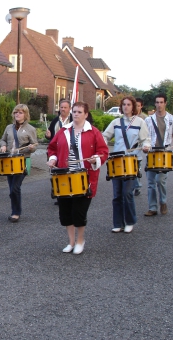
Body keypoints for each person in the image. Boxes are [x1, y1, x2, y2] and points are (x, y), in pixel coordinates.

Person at [47, 102, 108, 254]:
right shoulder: (63, 131)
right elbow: (52, 148)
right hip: (64, 177)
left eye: (80, 112)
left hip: (84, 178)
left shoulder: (94, 132)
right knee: (65, 212)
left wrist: (96, 159)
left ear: (86, 114)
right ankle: (71, 242)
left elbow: (103, 151)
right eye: (74, 111)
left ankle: (80, 240)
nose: (76, 114)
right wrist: (53, 159)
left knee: (79, 212)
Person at [102, 96, 151, 234]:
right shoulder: (116, 122)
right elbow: (105, 136)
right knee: (117, 194)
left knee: (127, 193)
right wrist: (103, 144)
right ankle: (118, 223)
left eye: (129, 104)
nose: (126, 107)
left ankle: (130, 222)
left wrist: (146, 146)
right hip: (116, 160)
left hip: (131, 160)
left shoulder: (140, 122)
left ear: (133, 106)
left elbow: (146, 139)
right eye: (124, 104)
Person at [0, 104, 38, 222]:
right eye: (16, 112)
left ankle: (16, 213)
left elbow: (34, 145)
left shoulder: (31, 129)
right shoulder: (8, 127)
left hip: (22, 161)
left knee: (14, 188)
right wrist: (3, 145)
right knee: (12, 189)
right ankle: (14, 210)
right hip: (8, 161)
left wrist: (31, 148)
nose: (17, 114)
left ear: (25, 115)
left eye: (20, 112)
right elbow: (2, 139)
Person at [144, 93, 173, 216]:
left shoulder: (172, 119)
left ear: (165, 103)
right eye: (157, 102)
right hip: (152, 152)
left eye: (161, 102)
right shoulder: (148, 120)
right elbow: (145, 136)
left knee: (160, 181)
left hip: (165, 153)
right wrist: (145, 146)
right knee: (150, 183)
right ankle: (152, 208)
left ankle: (163, 202)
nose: (159, 105)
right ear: (155, 104)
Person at [45, 99, 72, 205]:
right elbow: (50, 135)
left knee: (68, 172)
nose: (63, 109)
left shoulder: (73, 120)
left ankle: (69, 193)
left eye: (65, 107)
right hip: (55, 150)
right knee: (56, 173)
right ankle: (59, 194)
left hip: (68, 150)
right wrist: (47, 136)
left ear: (69, 108)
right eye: (61, 107)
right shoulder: (55, 120)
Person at [134, 97, 148, 195]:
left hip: (139, 146)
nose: (136, 107)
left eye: (138, 106)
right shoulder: (129, 117)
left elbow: (147, 134)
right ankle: (135, 185)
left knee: (137, 166)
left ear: (141, 106)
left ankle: (137, 186)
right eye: (135, 105)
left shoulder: (145, 118)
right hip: (130, 146)